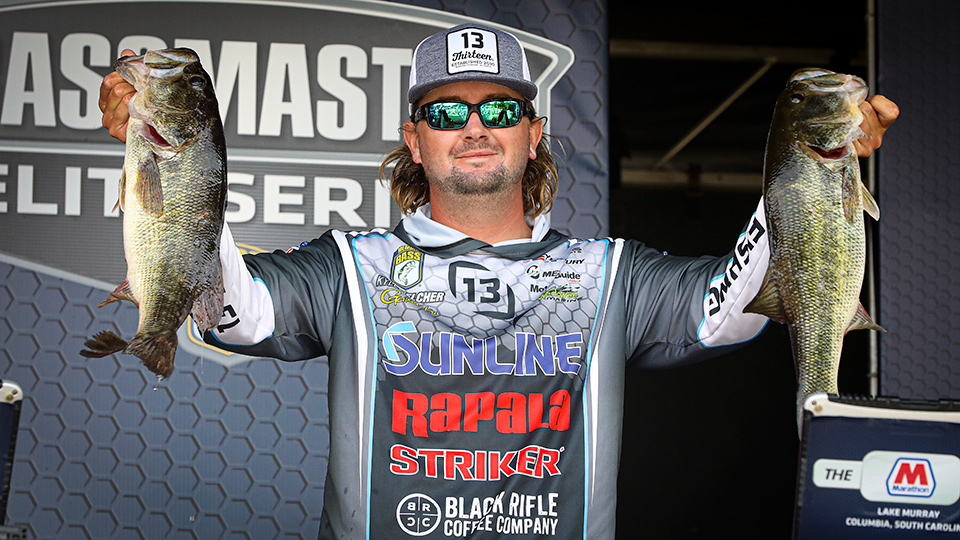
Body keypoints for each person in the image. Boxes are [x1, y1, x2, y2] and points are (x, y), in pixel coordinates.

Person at [99, 22, 898, 540]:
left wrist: (809, 167)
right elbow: (233, 313)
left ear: (534, 133)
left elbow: (733, 307)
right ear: (415, 139)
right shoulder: (348, 267)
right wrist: (173, 151)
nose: (475, 127)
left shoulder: (607, 274)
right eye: (447, 113)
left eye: (501, 110)